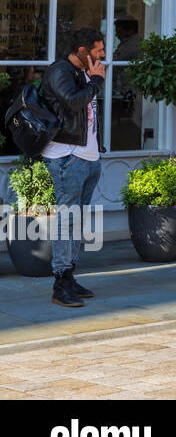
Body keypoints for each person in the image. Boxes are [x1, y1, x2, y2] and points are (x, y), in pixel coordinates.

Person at [39, 26, 107, 308]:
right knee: (66, 221)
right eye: (98, 50)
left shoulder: (82, 72)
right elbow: (73, 101)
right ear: (82, 51)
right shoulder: (60, 72)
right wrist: (95, 82)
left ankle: (70, 275)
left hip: (88, 157)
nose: (103, 55)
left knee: (77, 221)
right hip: (66, 156)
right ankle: (60, 282)